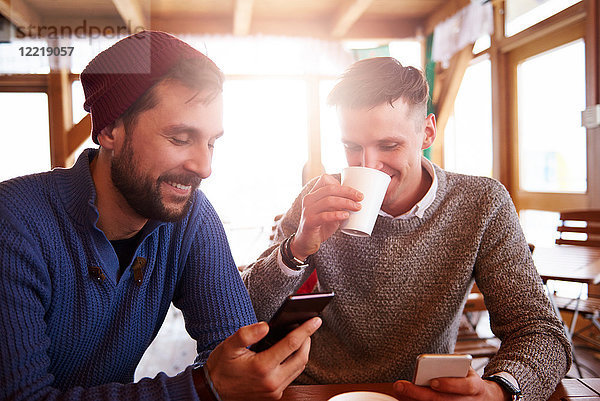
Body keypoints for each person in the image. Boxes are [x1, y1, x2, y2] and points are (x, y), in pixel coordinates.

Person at [0, 30, 321, 401]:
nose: (204, 167)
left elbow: (234, 347)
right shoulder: (13, 222)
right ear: (108, 130)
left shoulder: (190, 216)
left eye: (211, 142)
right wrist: (202, 388)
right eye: (180, 138)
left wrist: (248, 372)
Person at [241, 57, 571, 400]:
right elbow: (242, 312)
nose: (369, 165)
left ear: (427, 132)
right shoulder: (318, 197)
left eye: (388, 145)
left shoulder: (481, 203)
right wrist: (295, 249)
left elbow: (541, 331)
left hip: (422, 393)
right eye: (352, 147)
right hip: (321, 390)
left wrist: (499, 391)